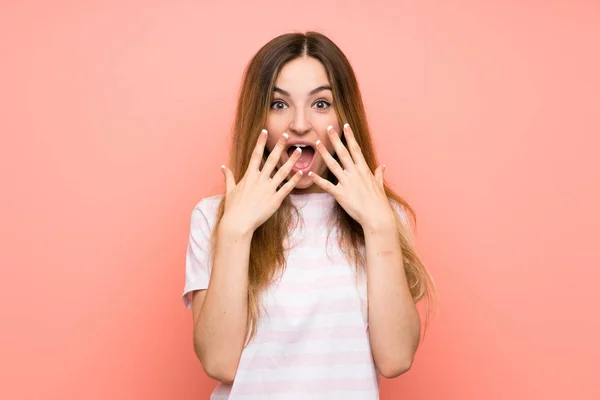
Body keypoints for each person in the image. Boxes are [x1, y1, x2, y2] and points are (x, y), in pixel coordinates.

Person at [182, 31, 437, 399]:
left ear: (344, 112)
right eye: (279, 104)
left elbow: (396, 359)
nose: (299, 125)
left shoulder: (382, 216)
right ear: (259, 115)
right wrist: (235, 232)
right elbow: (220, 362)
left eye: (320, 104)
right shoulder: (214, 217)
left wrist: (380, 228)